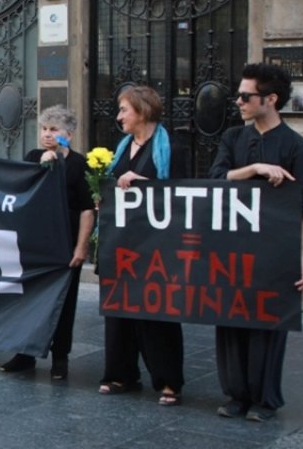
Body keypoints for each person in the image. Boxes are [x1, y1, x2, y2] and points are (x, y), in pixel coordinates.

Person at [209, 63, 303, 422]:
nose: (238, 101)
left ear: (270, 99)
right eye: (238, 95)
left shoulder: (297, 146)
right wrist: (254, 170)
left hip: (274, 249)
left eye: (246, 96)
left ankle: (264, 399)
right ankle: (235, 394)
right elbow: (216, 178)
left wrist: (301, 258)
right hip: (232, 247)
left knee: (268, 322)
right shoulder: (233, 138)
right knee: (230, 318)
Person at [98, 85, 187, 405]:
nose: (119, 116)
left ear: (143, 111)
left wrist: (145, 185)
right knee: (119, 310)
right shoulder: (123, 148)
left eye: (124, 110)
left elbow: (181, 195)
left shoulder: (171, 148)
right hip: (123, 243)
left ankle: (168, 380)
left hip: (155, 245)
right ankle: (121, 373)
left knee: (157, 311)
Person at [0, 105, 94, 379]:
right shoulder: (33, 157)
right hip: (35, 242)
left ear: (69, 135)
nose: (47, 134)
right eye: (43, 129)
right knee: (28, 298)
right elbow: (20, 190)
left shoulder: (79, 164)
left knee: (64, 303)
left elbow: (87, 209)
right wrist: (43, 165)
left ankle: (60, 358)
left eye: (54, 130)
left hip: (65, 243)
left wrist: (81, 247)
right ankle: (24, 353)